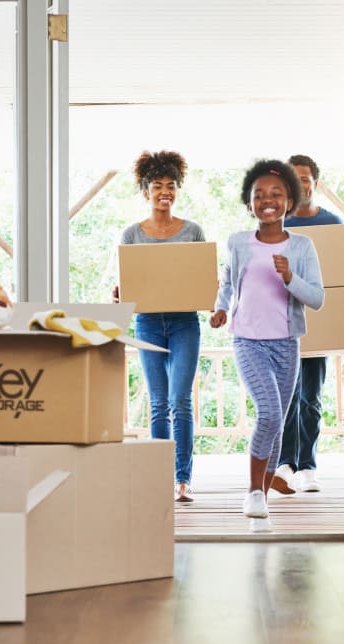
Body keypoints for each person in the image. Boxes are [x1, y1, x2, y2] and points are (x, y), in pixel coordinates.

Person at [210, 159, 324, 533]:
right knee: (270, 414)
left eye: (276, 194)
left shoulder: (303, 247)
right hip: (247, 340)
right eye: (259, 195)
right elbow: (227, 282)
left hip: (286, 343)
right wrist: (221, 309)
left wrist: (290, 277)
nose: (267, 201)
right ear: (249, 204)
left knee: (278, 421)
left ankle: (267, 481)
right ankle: (253, 491)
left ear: (290, 200)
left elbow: (317, 298)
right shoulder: (238, 242)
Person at [117, 150, 205, 504]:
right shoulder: (131, 234)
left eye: (171, 185)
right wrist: (122, 292)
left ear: (178, 190)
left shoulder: (193, 231)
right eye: (157, 185)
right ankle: (160, 478)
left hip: (185, 322)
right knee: (157, 402)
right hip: (149, 323)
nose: (164, 191)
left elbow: (201, 278)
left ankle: (183, 479)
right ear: (145, 191)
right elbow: (130, 285)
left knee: (179, 401)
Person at [271, 154, 344, 495]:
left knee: (311, 397)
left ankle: (308, 465)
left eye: (305, 179)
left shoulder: (332, 223)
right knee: (286, 396)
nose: (300, 185)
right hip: (284, 321)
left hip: (320, 320)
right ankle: (284, 463)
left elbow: (341, 275)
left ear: (315, 182)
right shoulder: (277, 224)